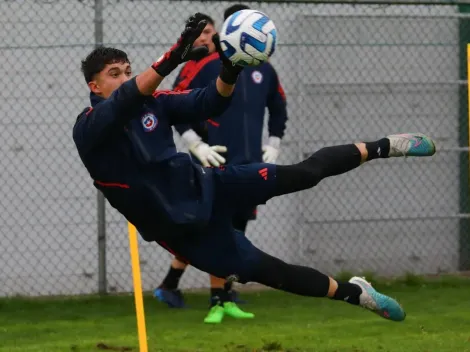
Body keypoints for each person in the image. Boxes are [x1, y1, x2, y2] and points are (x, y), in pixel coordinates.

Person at [73, 13, 437, 325]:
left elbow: (211, 102)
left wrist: (230, 68)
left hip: (210, 185)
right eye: (113, 74)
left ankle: (385, 146)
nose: (123, 78)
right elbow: (122, 102)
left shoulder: (155, 103)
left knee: (305, 174)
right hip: (184, 231)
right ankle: (356, 294)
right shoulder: (88, 127)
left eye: (127, 71)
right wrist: (171, 59)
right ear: (94, 86)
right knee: (269, 271)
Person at [154, 8, 288, 324]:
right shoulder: (205, 66)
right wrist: (195, 143)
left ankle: (214, 292)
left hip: (250, 159)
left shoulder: (264, 69)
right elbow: (173, 103)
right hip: (214, 160)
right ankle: (217, 298)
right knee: (215, 228)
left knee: (236, 227)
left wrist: (274, 142)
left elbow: (278, 107)